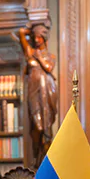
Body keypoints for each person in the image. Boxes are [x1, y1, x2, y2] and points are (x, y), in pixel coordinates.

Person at [20, 22, 58, 168]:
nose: (36, 40)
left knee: (46, 126)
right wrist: (30, 30)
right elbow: (21, 32)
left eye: (39, 37)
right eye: (35, 37)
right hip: (33, 91)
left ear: (44, 38)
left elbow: (48, 68)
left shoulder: (50, 56)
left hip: (47, 91)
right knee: (36, 124)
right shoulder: (29, 52)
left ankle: (45, 162)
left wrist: (39, 57)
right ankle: (36, 159)